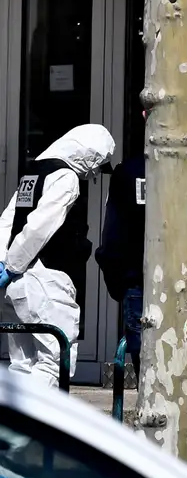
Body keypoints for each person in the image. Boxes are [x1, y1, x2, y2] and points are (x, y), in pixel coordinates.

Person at [96, 112, 187, 379]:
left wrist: (122, 285)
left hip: (142, 287)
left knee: (149, 375)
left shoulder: (129, 172)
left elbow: (114, 240)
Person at [0, 124, 115, 388]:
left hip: (16, 286)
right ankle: (37, 414)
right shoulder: (66, 178)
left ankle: (16, 414)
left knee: (21, 365)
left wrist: (4, 263)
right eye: (97, 165)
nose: (95, 173)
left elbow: (8, 220)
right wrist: (14, 265)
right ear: (89, 154)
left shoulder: (34, 173)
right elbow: (40, 226)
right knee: (54, 362)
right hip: (45, 281)